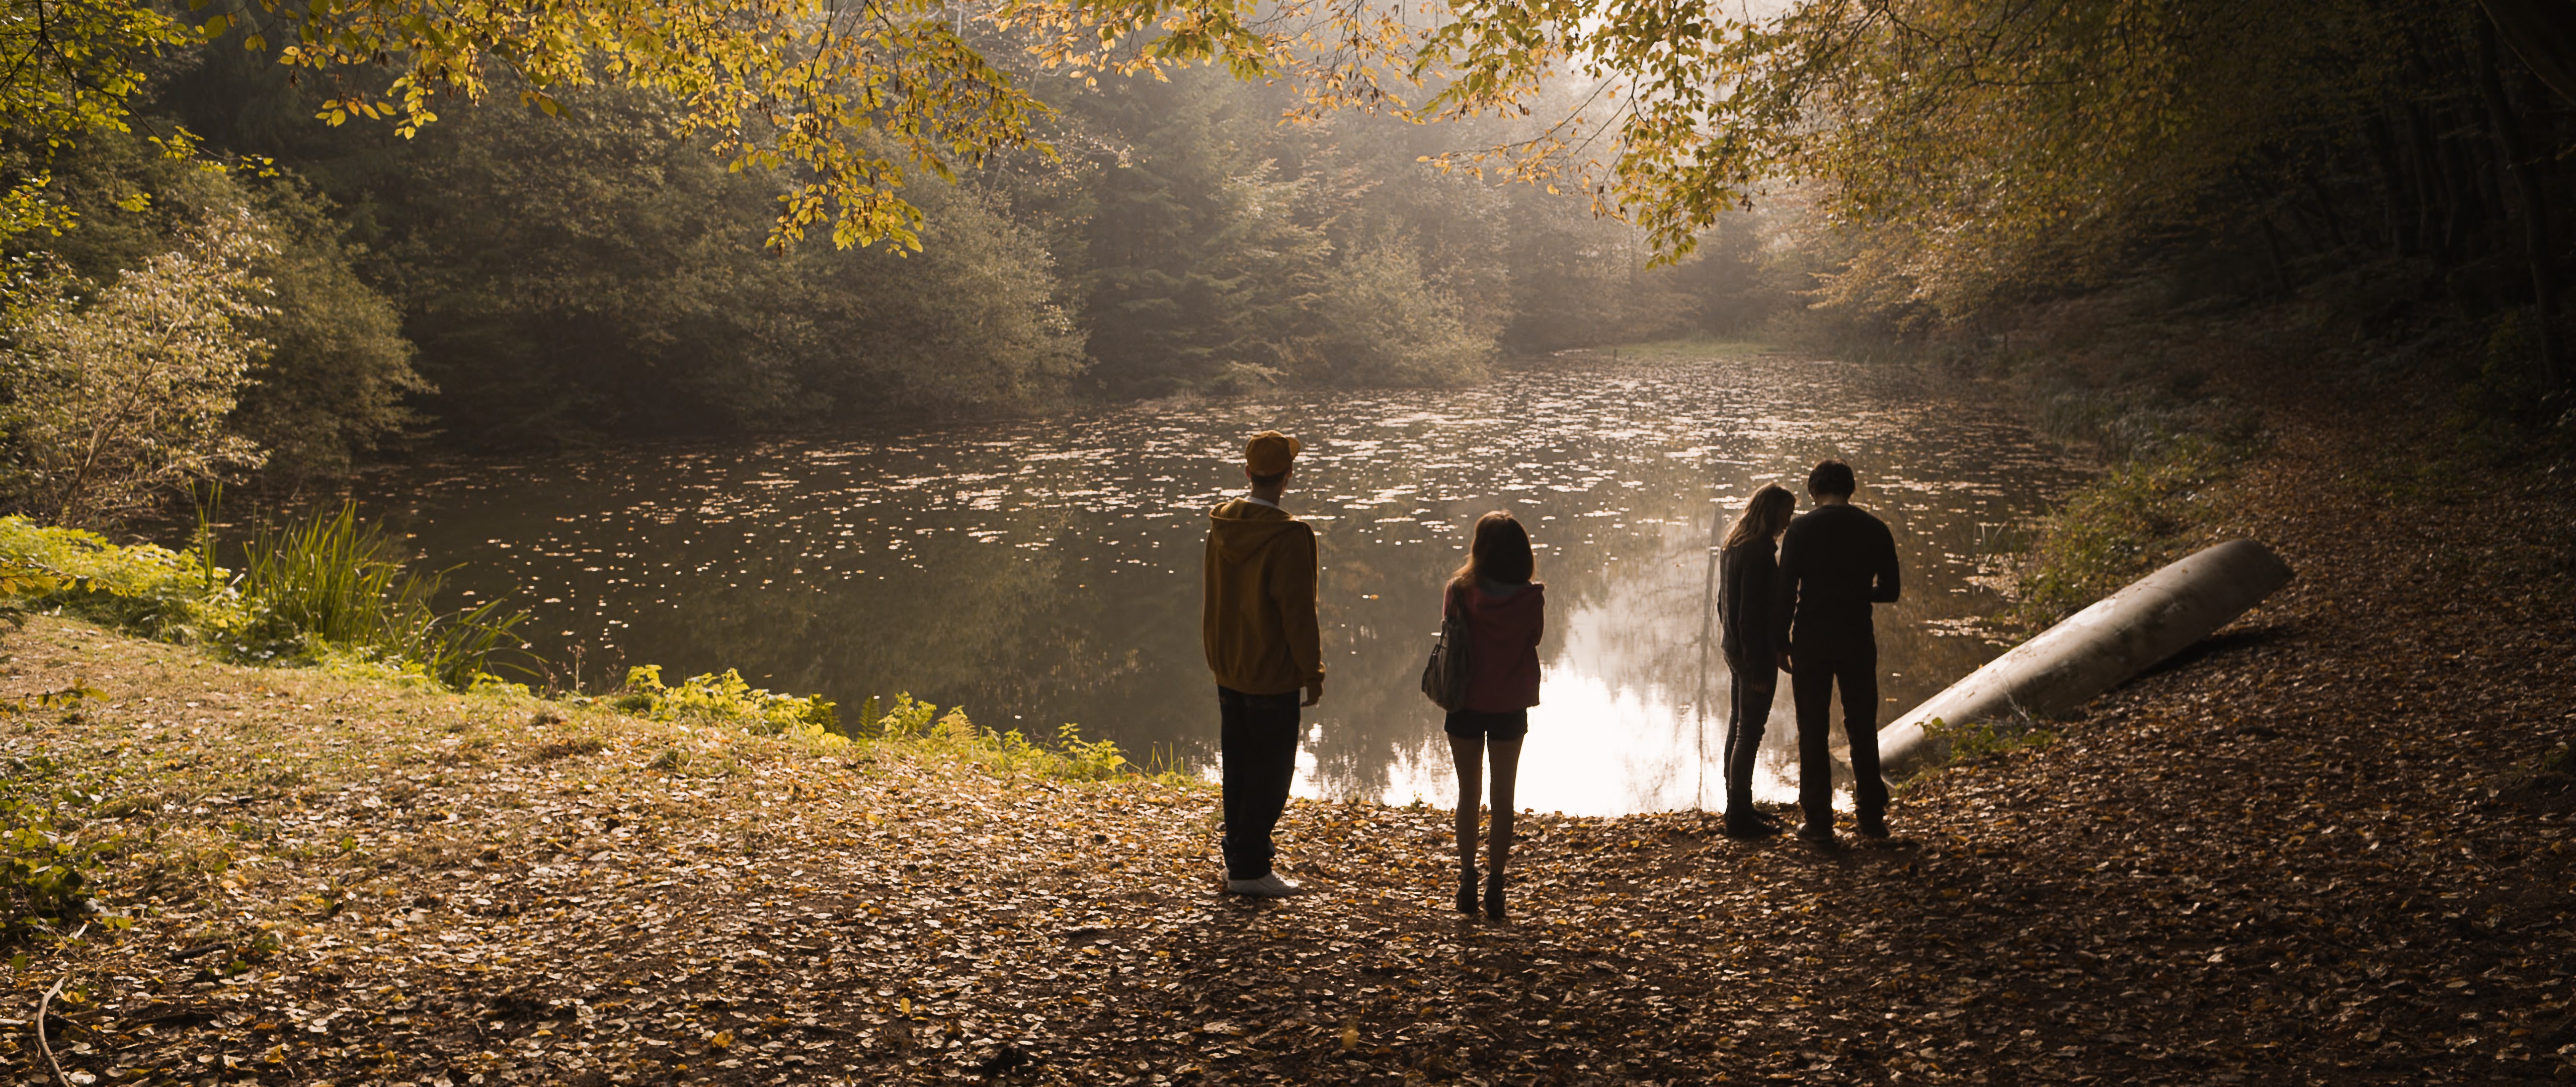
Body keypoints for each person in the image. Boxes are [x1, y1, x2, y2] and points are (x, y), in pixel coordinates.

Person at [1202, 430, 1324, 897]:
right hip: (1271, 672)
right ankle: (1251, 868)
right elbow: (1298, 611)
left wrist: (1216, 654)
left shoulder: (1223, 525)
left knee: (1238, 766)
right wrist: (1311, 672)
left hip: (1230, 665)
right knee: (1271, 772)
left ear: (1248, 473)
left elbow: (1215, 594)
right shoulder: (1290, 535)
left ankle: (1241, 860)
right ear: (1288, 477)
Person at [1773, 459, 1902, 842]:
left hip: (1812, 638)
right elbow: (1891, 591)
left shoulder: (1800, 529)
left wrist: (1780, 643)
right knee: (1862, 725)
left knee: (1812, 729)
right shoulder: (1876, 529)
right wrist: (1860, 592)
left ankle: (1818, 822)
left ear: (1813, 491)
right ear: (1851, 489)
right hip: (1857, 638)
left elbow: (1785, 591)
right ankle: (1871, 818)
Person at [1442, 511, 1544, 920]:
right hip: (1509, 705)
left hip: (1465, 700)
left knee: (1468, 794)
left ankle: (1467, 881)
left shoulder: (1459, 590)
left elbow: (1449, 631)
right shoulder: (1530, 598)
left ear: (1479, 550)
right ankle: (1496, 888)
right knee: (1504, 800)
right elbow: (1534, 638)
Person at [1717, 484, 1798, 838]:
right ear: (1771, 512)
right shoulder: (1759, 554)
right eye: (1786, 513)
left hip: (1733, 647)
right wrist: (1756, 669)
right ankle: (1739, 816)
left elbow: (1724, 603)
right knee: (1749, 730)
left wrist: (1735, 647)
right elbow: (1752, 616)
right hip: (1753, 652)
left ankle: (1738, 804)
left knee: (1739, 726)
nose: (1789, 521)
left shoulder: (1733, 544)